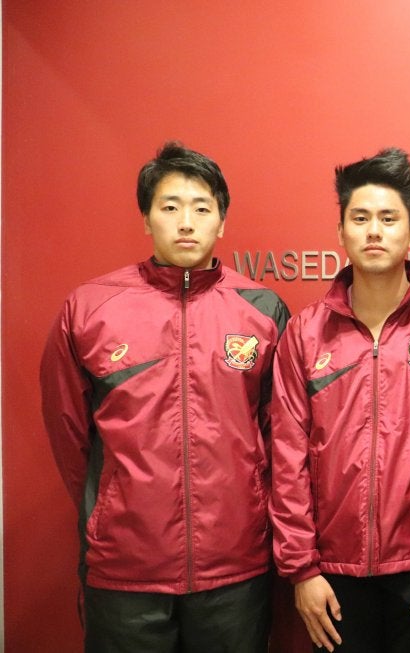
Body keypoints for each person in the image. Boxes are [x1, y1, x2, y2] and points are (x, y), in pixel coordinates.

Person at [40, 142, 290, 652]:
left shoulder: (262, 310)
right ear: (146, 218)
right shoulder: (90, 309)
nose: (186, 223)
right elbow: (70, 436)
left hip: (235, 567)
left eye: (202, 208)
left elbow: (281, 435)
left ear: (222, 221)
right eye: (170, 207)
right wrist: (111, 508)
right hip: (125, 569)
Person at [269, 147, 410, 652]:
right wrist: (302, 570)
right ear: (341, 231)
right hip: (331, 577)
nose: (374, 231)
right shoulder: (304, 334)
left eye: (389, 219)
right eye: (361, 218)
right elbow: (286, 456)